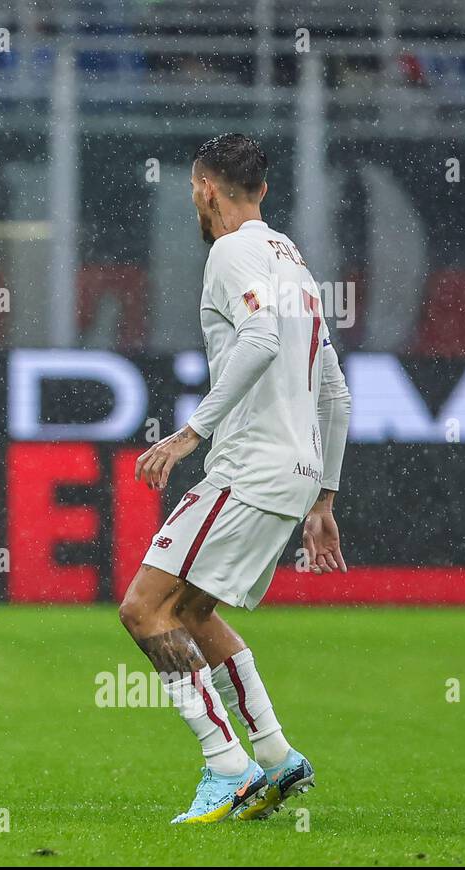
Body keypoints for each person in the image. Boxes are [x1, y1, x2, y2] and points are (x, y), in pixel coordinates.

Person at [119, 133, 352, 823]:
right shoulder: (296, 266)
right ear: (264, 191)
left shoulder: (230, 252)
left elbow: (259, 340)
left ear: (205, 190)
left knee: (142, 609)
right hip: (293, 470)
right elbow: (333, 391)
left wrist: (192, 432)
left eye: (194, 191)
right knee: (192, 612)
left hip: (250, 465)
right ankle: (278, 758)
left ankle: (227, 768)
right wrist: (325, 497)